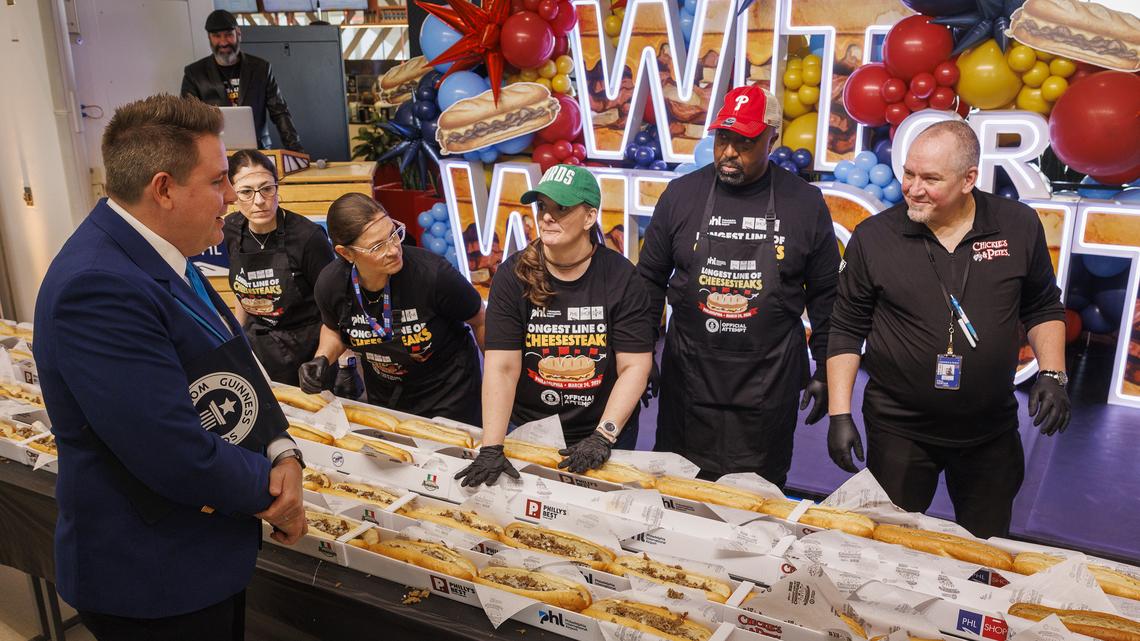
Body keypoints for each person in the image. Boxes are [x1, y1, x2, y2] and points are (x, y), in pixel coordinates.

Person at [33, 94, 304, 640]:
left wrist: (282, 449)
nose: (231, 197)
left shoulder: (163, 249)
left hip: (201, 555)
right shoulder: (97, 285)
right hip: (151, 574)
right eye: (218, 180)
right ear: (163, 188)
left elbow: (233, 358)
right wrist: (273, 493)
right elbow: (170, 451)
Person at [826, 120, 1070, 538]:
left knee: (988, 551)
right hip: (899, 427)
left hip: (989, 429)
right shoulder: (874, 237)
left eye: (931, 179)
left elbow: (1042, 305)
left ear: (968, 179)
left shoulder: (1017, 225)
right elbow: (847, 327)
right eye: (908, 173)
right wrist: (839, 413)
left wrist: (1053, 372)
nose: (913, 188)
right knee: (891, 545)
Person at [636, 85, 840, 487]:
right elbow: (648, 279)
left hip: (767, 383)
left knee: (755, 504)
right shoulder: (681, 195)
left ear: (772, 139)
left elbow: (826, 294)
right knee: (677, 494)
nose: (729, 151)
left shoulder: (804, 202)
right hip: (689, 377)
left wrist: (827, 368)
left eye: (745, 142)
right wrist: (641, 351)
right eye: (723, 138)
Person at [456, 164, 654, 487]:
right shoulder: (512, 275)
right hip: (531, 428)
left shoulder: (621, 278)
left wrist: (603, 436)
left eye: (561, 208)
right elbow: (502, 367)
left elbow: (634, 366)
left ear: (590, 217)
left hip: (602, 427)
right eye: (543, 207)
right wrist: (492, 446)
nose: (547, 217)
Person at [302, 193, 485, 425]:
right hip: (386, 397)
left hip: (449, 394)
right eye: (377, 246)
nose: (394, 249)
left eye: (393, 234)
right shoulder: (331, 284)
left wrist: (500, 382)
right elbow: (334, 328)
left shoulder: (434, 275)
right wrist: (322, 359)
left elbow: (480, 319)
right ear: (346, 253)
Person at [223, 149, 334, 385]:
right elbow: (242, 293)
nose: (259, 201)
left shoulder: (308, 237)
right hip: (259, 348)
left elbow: (334, 306)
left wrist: (326, 360)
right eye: (246, 192)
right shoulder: (230, 230)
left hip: (307, 348)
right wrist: (238, 336)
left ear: (277, 188)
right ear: (232, 193)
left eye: (266, 188)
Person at [181, 9, 304, 153]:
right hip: (216, 154)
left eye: (228, 35)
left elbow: (280, 112)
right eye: (216, 36)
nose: (223, 42)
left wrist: (297, 152)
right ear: (209, 38)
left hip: (259, 152)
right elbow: (187, 121)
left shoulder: (261, 68)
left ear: (238, 34)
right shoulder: (194, 73)